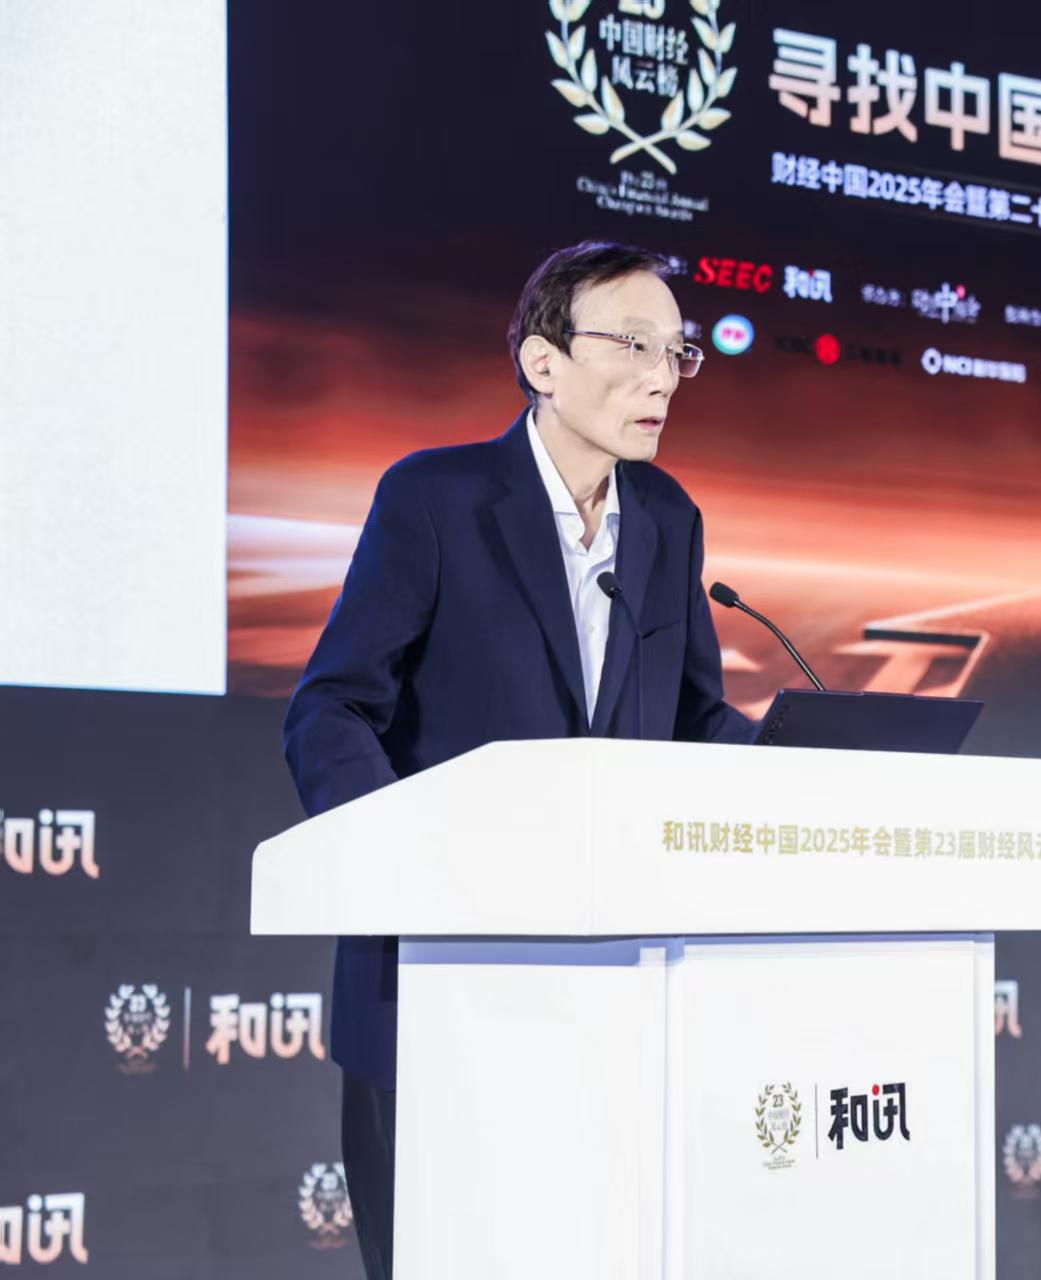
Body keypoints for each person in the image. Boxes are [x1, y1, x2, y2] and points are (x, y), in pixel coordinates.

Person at [282, 240, 753, 1279]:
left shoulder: (667, 519)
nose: (664, 377)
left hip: (608, 992)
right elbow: (331, 708)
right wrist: (405, 862)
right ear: (544, 361)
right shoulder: (437, 498)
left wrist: (804, 764)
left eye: (678, 352)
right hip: (437, 984)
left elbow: (695, 722)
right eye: (634, 345)